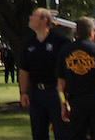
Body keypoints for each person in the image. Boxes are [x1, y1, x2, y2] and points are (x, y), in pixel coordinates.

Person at [58, 17, 95, 140]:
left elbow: (60, 85)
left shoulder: (65, 51)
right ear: (92, 32)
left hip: (77, 102)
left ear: (76, 31)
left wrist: (63, 104)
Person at [21, 8, 67, 140]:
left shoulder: (60, 42)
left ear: (44, 20)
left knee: (61, 131)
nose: (30, 18)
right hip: (36, 93)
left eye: (34, 15)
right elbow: (24, 69)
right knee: (38, 132)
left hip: (55, 92)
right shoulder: (29, 44)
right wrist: (23, 92)